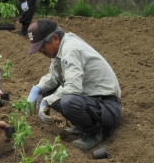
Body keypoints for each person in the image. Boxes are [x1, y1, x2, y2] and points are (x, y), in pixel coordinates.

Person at [26, 19, 122, 150]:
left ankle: (95, 132)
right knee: (49, 90)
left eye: (42, 46)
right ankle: (83, 125)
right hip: (93, 99)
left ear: (55, 38)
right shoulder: (60, 48)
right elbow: (54, 77)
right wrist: (38, 88)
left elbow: (74, 87)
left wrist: (47, 101)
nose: (40, 51)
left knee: (68, 101)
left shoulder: (70, 49)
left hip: (108, 106)